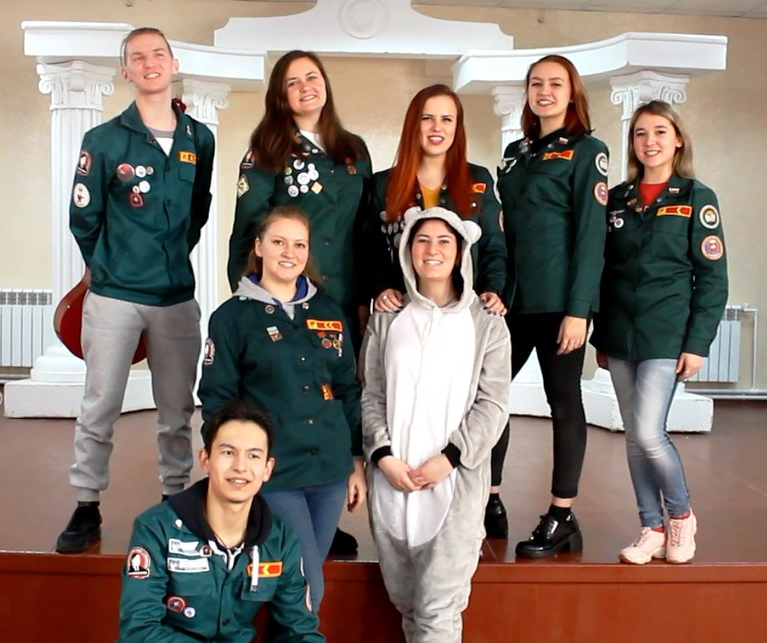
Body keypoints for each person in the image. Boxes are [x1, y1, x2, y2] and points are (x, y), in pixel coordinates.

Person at [57, 27, 214, 554]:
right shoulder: (103, 140)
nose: (150, 63)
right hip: (115, 296)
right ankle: (86, 504)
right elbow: (84, 217)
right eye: (138, 57)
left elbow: (197, 213)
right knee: (100, 405)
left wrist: (166, 257)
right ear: (126, 72)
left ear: (174, 63)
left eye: (158, 54)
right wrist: (112, 265)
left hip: (175, 300)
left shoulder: (199, 139)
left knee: (177, 411)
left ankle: (176, 500)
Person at [228, 50, 372, 558]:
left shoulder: (352, 149)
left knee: (331, 398)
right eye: (293, 82)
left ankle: (322, 512)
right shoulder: (266, 149)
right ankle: (277, 507)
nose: (306, 86)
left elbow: (363, 230)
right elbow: (248, 229)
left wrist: (367, 298)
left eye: (312, 77)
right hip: (286, 298)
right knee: (287, 398)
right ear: (280, 95)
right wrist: (248, 299)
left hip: (341, 299)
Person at [199, 205, 366, 612]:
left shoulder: (329, 311)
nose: (289, 253)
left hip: (329, 470)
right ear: (259, 247)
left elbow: (347, 388)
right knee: (307, 585)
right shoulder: (232, 318)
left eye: (299, 245)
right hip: (273, 471)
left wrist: (356, 461)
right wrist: (232, 465)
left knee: (296, 581)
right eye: (278, 242)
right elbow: (218, 399)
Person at [361, 206, 511, 643]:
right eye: (422, 240)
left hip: (453, 483)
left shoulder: (487, 323)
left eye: (444, 241)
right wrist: (383, 456)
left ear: (460, 251)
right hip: (393, 480)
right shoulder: (387, 317)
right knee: (409, 604)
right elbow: (371, 393)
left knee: (437, 610)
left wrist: (450, 458)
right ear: (407, 250)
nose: (433, 250)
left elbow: (493, 404)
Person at [591, 101, 728, 565]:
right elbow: (603, 272)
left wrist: (697, 343)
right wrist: (600, 337)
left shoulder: (696, 197)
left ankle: (682, 516)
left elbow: (712, 277)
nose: (650, 142)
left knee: (650, 433)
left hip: (667, 333)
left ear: (678, 140)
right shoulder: (618, 199)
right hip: (619, 333)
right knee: (634, 436)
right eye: (641, 133)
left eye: (660, 132)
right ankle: (651, 527)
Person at [492, 54, 609, 556]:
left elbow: (591, 236)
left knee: (563, 401)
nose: (545, 91)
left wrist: (579, 310)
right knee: (489, 396)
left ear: (571, 93)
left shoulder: (588, 151)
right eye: (536, 83)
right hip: (513, 302)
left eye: (555, 84)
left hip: (561, 304)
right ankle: (489, 498)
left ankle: (561, 515)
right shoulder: (515, 153)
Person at [117, 400, 324, 642]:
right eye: (228, 453)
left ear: (268, 469)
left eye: (253, 456)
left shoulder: (280, 540)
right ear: (205, 460)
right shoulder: (156, 528)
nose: (240, 467)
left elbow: (300, 631)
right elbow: (139, 631)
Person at [368, 84, 507, 317]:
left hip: (464, 312)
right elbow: (371, 249)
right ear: (413, 124)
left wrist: (492, 289)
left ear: (457, 127)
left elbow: (493, 246)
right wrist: (382, 288)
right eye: (427, 118)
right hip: (401, 311)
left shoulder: (478, 178)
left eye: (447, 119)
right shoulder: (383, 184)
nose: (437, 127)